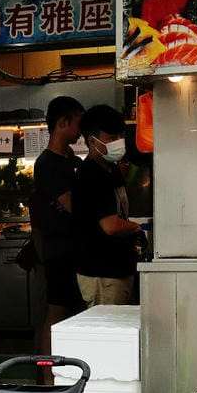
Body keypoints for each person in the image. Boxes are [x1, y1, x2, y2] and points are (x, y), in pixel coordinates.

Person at [30, 95, 86, 363]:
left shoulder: (70, 160)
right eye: (79, 124)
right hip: (58, 251)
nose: (81, 131)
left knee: (70, 313)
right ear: (63, 123)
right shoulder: (47, 164)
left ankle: (64, 372)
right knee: (55, 314)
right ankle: (47, 376)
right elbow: (74, 205)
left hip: (72, 250)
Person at [71, 105, 143, 307]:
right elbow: (110, 226)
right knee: (107, 333)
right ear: (92, 141)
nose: (118, 142)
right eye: (111, 138)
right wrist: (138, 229)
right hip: (101, 275)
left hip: (118, 270)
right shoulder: (90, 175)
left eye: (120, 136)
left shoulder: (111, 169)